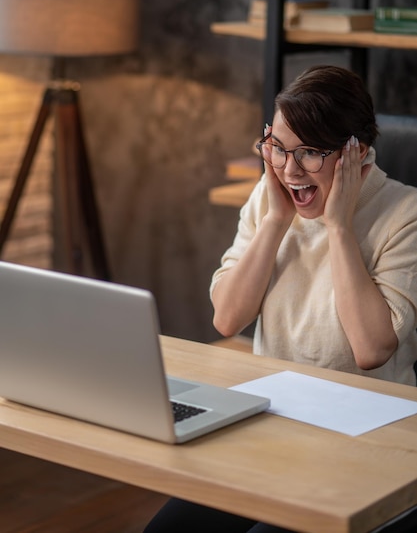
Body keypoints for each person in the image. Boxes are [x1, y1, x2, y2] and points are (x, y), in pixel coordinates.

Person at [144, 65, 417, 533]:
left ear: (358, 153)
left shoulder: (404, 213)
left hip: (368, 441)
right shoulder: (269, 197)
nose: (290, 170)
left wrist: (338, 226)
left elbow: (372, 350)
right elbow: (227, 319)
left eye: (310, 152)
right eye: (278, 148)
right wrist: (274, 221)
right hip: (273, 423)